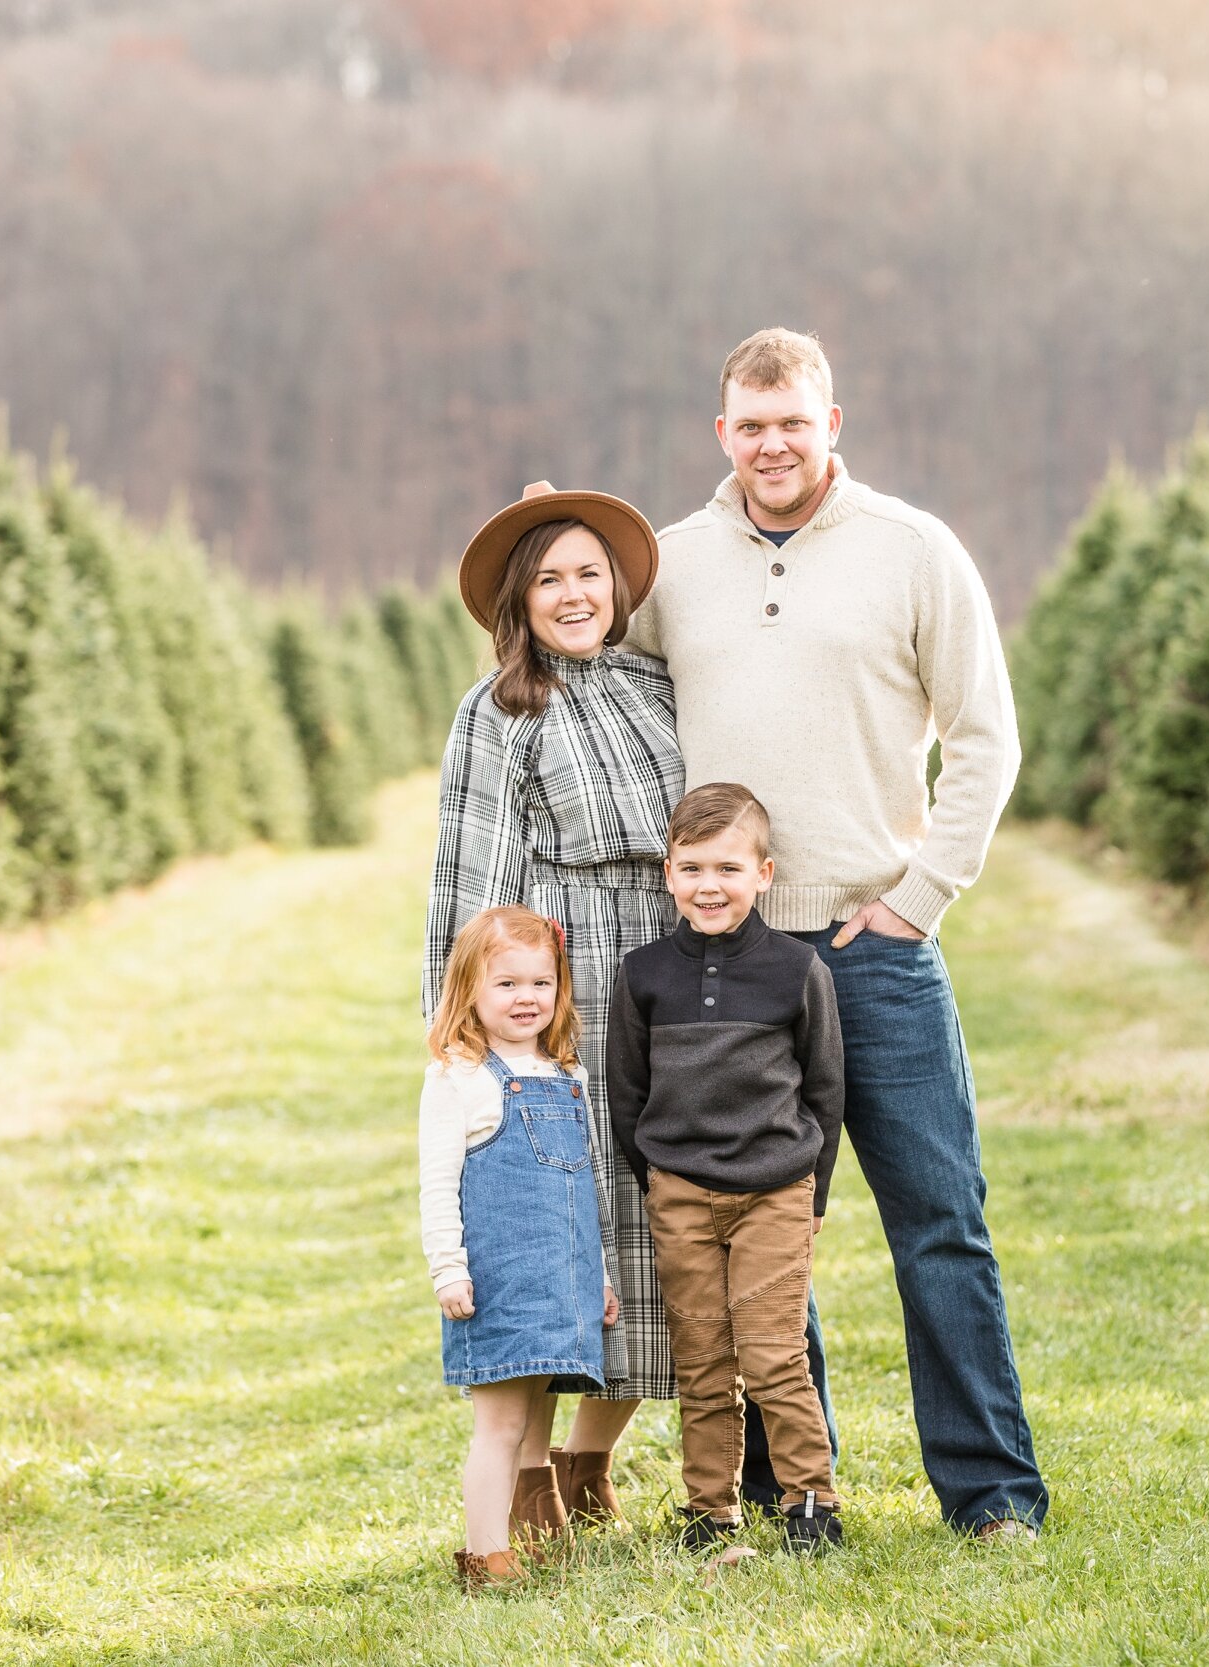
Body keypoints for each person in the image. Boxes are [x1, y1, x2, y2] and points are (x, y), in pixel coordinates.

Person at [622, 327, 1049, 1538]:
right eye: (749, 425)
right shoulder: (674, 562)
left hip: (877, 952)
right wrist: (556, 539)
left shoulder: (913, 553)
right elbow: (589, 645)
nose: (771, 444)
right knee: (755, 1227)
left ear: (831, 424)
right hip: (737, 967)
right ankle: (784, 1486)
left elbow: (985, 738)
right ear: (722, 433)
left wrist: (919, 897)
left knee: (939, 1223)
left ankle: (991, 1492)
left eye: (792, 423)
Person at [423, 482, 683, 1543]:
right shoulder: (499, 712)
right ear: (518, 602)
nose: (572, 595)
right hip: (562, 995)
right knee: (550, 1231)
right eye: (548, 579)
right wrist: (472, 1042)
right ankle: (525, 1473)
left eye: (587, 573)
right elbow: (473, 885)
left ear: (614, 585)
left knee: (654, 1229)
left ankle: (588, 1457)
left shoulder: (657, 686)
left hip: (663, 977)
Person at [607, 783, 846, 1554]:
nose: (710, 886)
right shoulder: (644, 975)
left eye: (728, 869)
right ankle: (711, 1510)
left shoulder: (796, 968)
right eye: (692, 868)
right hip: (679, 1194)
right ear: (668, 875)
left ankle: (812, 1500)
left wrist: (815, 1192)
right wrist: (660, 1180)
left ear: (765, 874)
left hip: (775, 1190)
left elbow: (825, 1088)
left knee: (776, 1353)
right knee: (702, 1357)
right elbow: (627, 1092)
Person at [420, 906, 620, 1590]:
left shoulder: (568, 1074)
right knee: (501, 1426)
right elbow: (437, 1184)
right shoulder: (460, 1077)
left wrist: (597, 1277)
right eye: (506, 983)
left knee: (530, 1414)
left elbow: (583, 1195)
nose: (527, 997)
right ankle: (486, 1557)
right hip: (500, 1284)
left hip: (561, 1283)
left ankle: (508, 1543)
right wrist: (449, 1268)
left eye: (542, 981)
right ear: (470, 990)